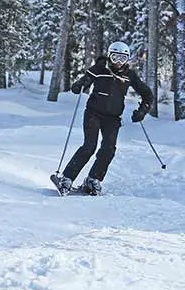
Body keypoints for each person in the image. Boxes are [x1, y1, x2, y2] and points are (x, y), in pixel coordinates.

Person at [54, 41, 154, 195]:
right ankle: (67, 178)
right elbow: (85, 79)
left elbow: (147, 95)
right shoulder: (99, 68)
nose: (118, 62)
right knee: (89, 146)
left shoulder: (129, 75)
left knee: (109, 149)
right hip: (93, 113)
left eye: (122, 58)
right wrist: (80, 85)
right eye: (115, 57)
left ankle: (93, 179)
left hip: (113, 118)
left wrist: (142, 111)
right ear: (109, 56)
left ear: (127, 59)